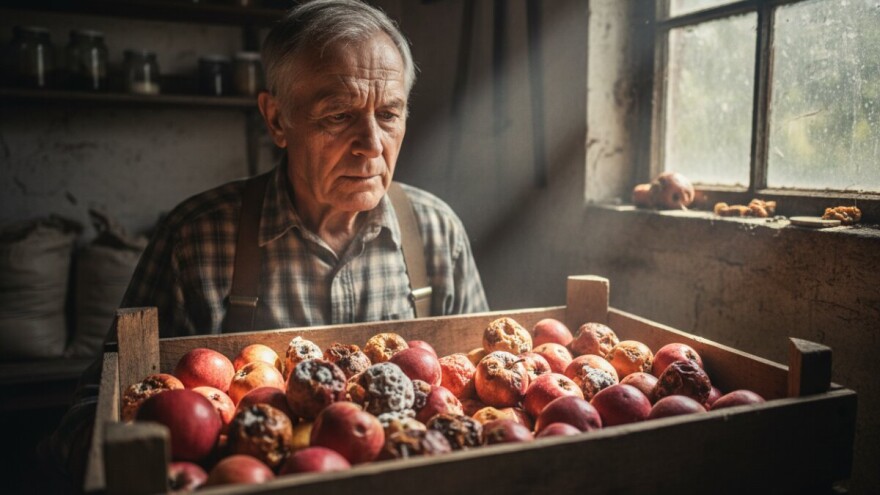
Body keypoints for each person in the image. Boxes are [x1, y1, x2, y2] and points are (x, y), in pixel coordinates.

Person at [47, 0, 488, 488]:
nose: (371, 143)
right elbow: (87, 415)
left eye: (388, 114)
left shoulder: (436, 232)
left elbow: (483, 394)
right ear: (277, 119)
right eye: (339, 115)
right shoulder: (196, 238)